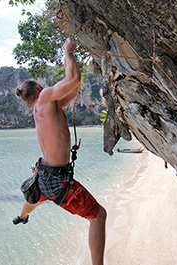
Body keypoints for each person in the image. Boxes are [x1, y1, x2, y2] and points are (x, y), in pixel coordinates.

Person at [13, 38, 107, 265]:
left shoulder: (42, 108)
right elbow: (72, 80)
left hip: (44, 175)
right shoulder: (45, 98)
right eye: (43, 87)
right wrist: (67, 50)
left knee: (38, 197)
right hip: (56, 179)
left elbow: (74, 89)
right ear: (38, 89)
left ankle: (22, 216)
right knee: (99, 217)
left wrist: (71, 58)